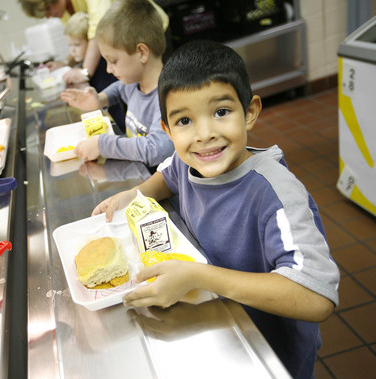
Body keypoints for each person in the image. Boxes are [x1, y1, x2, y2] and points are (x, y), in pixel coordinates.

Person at [92, 40, 340, 379]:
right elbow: (168, 175)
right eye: (184, 121)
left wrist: (196, 276)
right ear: (167, 129)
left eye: (221, 112)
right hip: (218, 326)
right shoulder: (187, 160)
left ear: (249, 112)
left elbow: (316, 296)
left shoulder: (275, 194)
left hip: (269, 351)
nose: (204, 134)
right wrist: (133, 194)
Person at [60, 0, 174, 170]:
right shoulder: (133, 84)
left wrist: (103, 144)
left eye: (113, 61)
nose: (108, 69)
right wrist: (100, 99)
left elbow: (156, 149)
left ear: (141, 52)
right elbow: (119, 89)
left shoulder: (168, 98)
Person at [18, 0, 169, 85]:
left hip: (148, 33)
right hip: (124, 47)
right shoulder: (63, 11)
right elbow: (79, 40)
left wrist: (85, 72)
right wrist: (65, 62)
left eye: (48, 10)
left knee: (158, 85)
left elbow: (97, 31)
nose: (49, 16)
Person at [63, 12, 126, 132]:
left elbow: (115, 105)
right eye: (70, 45)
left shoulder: (104, 69)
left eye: (77, 45)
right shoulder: (84, 64)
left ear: (92, 43)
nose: (73, 50)